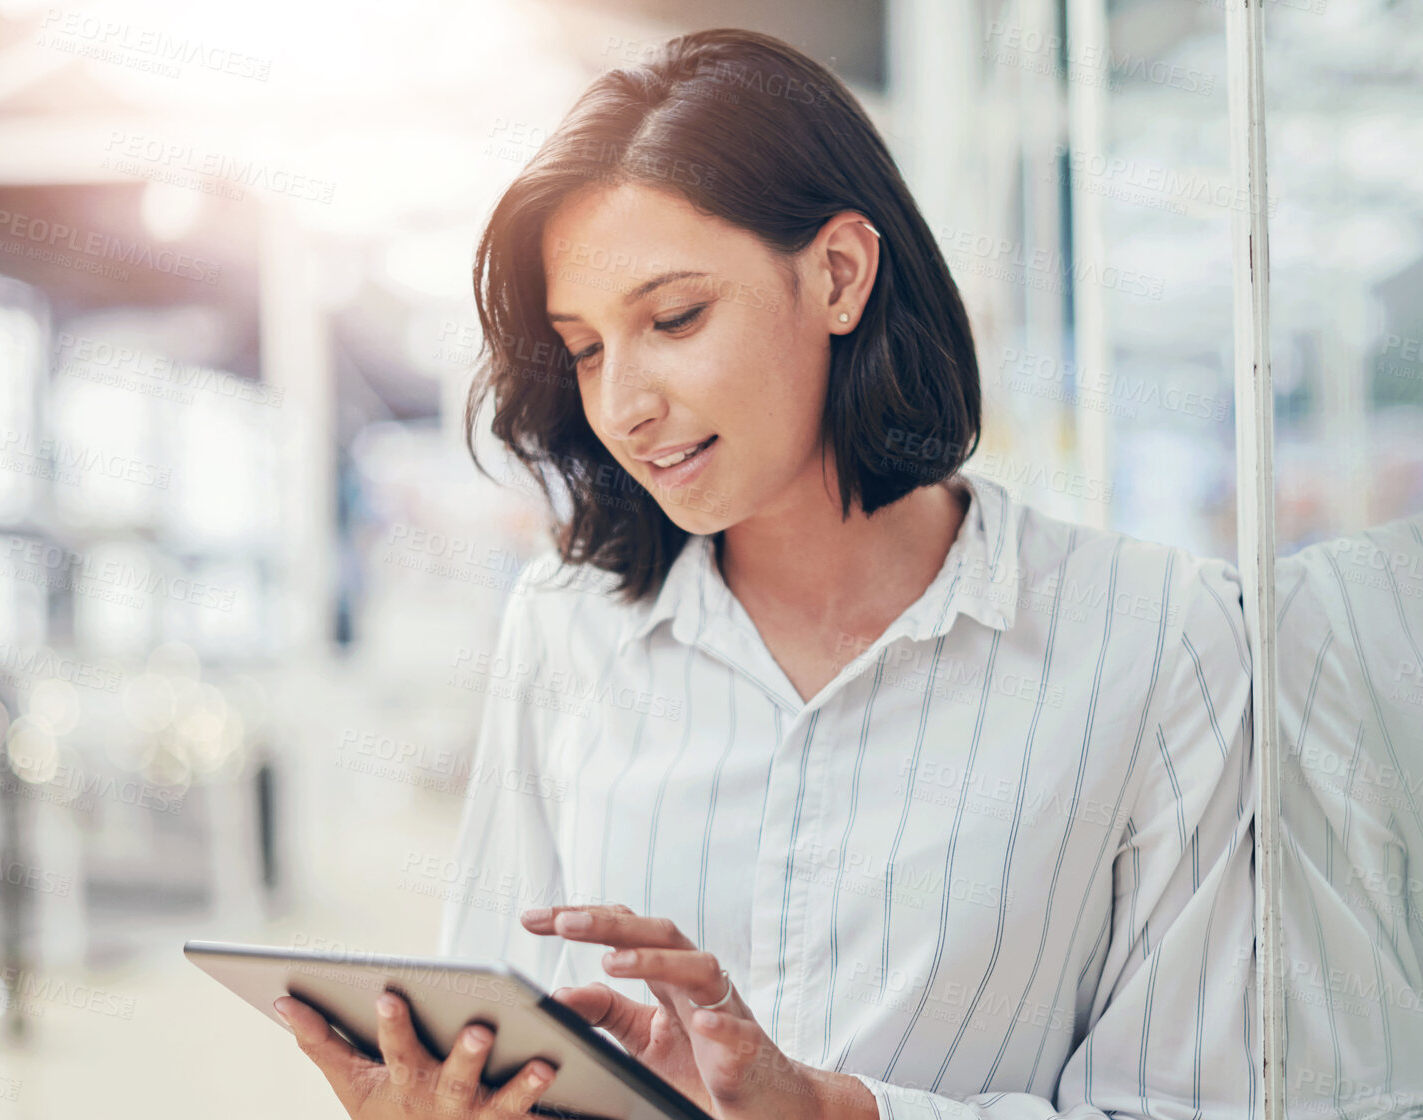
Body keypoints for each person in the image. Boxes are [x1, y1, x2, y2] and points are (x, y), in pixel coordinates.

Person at [274, 28, 1258, 1120]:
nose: (622, 405)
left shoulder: (1159, 640)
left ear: (837, 274)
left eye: (674, 317)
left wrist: (832, 1111)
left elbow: (1195, 1102)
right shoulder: (566, 627)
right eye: (586, 347)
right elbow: (514, 1042)